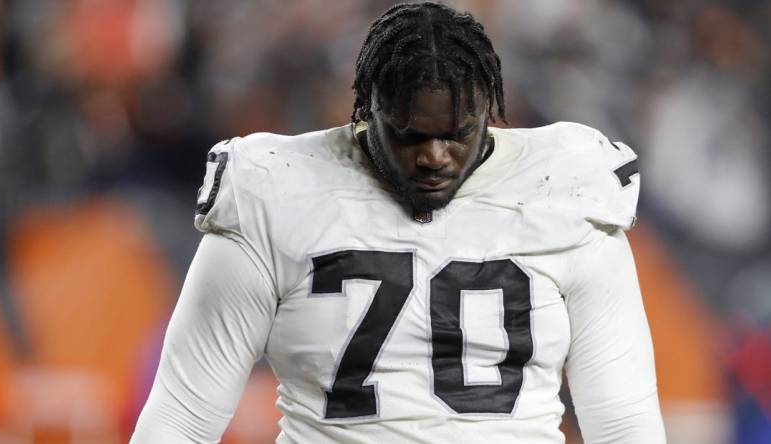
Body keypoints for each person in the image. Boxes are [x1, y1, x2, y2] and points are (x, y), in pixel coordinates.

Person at [131, 2, 665, 443]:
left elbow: (622, 422)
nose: (434, 156)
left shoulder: (567, 191)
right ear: (365, 111)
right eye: (410, 135)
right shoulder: (274, 193)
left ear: (490, 113)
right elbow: (182, 415)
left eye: (457, 133)